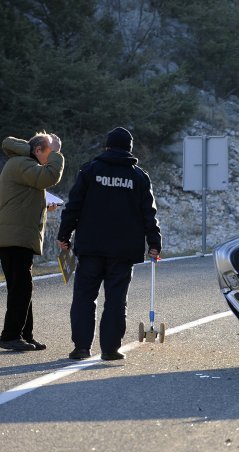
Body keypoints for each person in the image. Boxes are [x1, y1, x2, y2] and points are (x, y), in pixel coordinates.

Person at [57, 127, 162, 361]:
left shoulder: (90, 171)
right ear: (129, 149)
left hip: (91, 248)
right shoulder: (138, 177)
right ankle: (110, 349)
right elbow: (149, 213)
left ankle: (82, 348)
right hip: (123, 252)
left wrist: (65, 235)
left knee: (84, 297)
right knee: (116, 300)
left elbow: (73, 206)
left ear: (107, 146)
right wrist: (154, 242)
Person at [0, 131, 65, 351]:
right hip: (14, 237)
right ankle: (10, 336)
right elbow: (48, 177)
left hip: (17, 236)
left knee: (22, 287)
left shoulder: (23, 165)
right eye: (50, 152)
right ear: (38, 150)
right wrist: (57, 153)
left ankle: (24, 335)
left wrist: (45, 206)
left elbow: (21, 200)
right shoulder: (21, 163)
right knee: (22, 287)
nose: (52, 157)